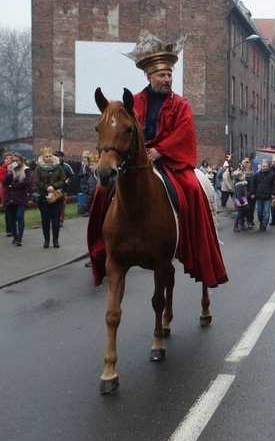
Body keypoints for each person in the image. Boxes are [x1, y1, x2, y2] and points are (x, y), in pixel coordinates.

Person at [87, 30, 227, 288]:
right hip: (136, 159)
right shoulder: (134, 102)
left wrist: (160, 150)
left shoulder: (181, 104)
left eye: (170, 74)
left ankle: (189, 242)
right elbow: (119, 129)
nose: (167, 79)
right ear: (149, 76)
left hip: (169, 161)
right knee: (100, 191)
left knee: (195, 189)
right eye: (162, 75)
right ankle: (99, 246)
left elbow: (184, 132)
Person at [34, 147, 66, 248]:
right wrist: (46, 187)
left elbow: (63, 179)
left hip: (57, 197)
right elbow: (37, 181)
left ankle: (55, 239)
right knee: (45, 219)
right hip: (44, 198)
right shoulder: (39, 168)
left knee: (56, 219)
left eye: (50, 156)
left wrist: (54, 186)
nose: (49, 158)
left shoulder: (59, 167)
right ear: (43, 158)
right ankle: (46, 239)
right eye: (46, 157)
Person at [3, 152, 33, 246]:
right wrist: (8, 173)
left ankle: (20, 237)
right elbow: (5, 182)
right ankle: (15, 237)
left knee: (19, 216)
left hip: (21, 197)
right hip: (10, 197)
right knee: (11, 218)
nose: (15, 163)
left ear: (21, 161)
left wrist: (14, 185)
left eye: (17, 161)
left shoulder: (26, 170)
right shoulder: (11, 170)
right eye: (13, 161)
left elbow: (27, 182)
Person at [249, 159, 275, 231]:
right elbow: (252, 185)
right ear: (261, 167)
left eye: (266, 166)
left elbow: (274, 185)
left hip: (267, 196)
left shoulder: (271, 175)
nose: (265, 167)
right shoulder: (256, 175)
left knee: (266, 211)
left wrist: (273, 193)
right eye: (264, 166)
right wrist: (252, 193)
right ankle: (261, 222)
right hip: (259, 196)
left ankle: (264, 224)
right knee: (259, 212)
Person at [53, 150, 74, 226]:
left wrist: (67, 182)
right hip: (53, 188)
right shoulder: (51, 165)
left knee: (62, 204)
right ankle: (53, 219)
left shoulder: (66, 166)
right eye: (56, 156)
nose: (58, 158)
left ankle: (60, 220)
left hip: (63, 188)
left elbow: (71, 176)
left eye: (59, 156)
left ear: (62, 157)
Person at [1, 151, 14, 237]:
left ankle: (14, 228)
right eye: (6, 158)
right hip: (6, 191)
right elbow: (3, 181)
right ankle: (9, 229)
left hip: (15, 190)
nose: (8, 160)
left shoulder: (15, 167)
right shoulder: (2, 169)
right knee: (8, 210)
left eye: (10, 158)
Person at [78, 151, 92, 216]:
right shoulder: (82, 166)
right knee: (85, 198)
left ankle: (89, 211)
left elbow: (90, 175)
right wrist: (82, 173)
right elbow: (79, 175)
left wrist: (85, 173)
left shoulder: (90, 166)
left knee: (88, 198)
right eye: (83, 158)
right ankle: (86, 210)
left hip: (89, 184)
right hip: (83, 184)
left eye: (85, 158)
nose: (84, 159)